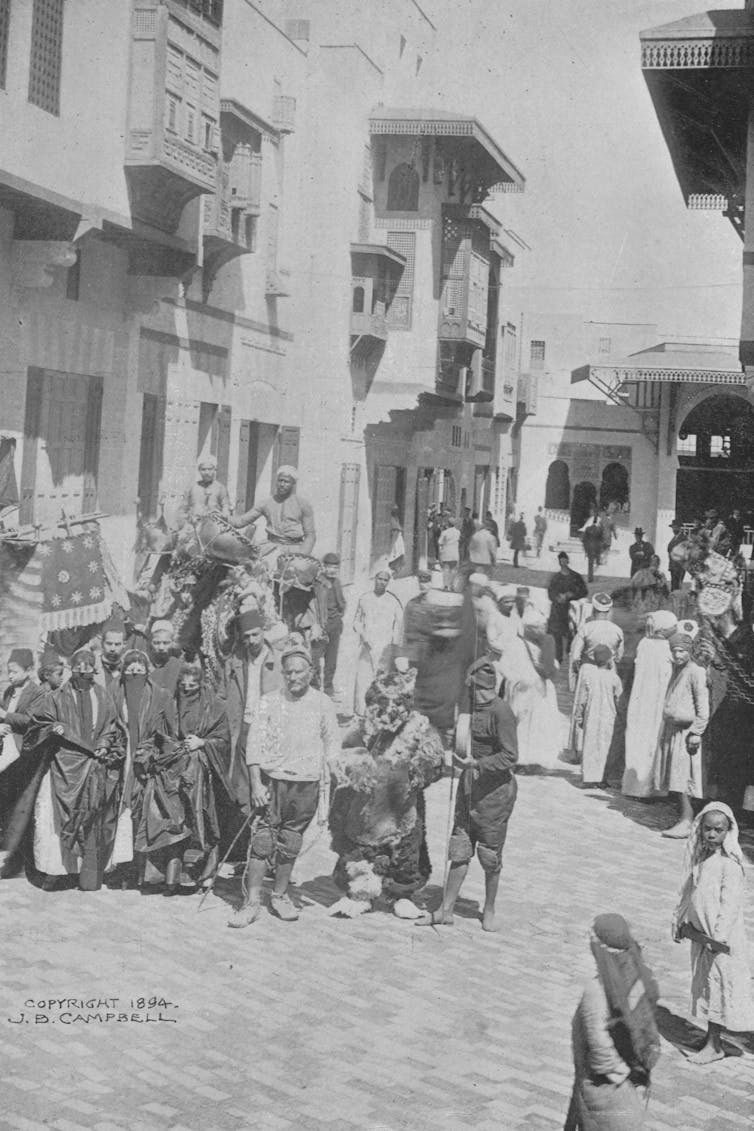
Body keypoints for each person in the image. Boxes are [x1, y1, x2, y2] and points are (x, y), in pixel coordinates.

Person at [230, 643, 339, 926]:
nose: (293, 677)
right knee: (263, 841)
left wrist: (331, 782)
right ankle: (251, 901)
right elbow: (253, 746)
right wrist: (256, 784)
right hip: (272, 782)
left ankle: (279, 896)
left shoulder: (323, 703)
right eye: (288, 672)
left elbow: (332, 746)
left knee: (290, 842)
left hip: (306, 784)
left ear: (311, 672)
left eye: (299, 671)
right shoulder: (269, 701)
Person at [329, 667, 445, 919]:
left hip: (402, 804)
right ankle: (359, 893)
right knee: (358, 845)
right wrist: (357, 764)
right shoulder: (365, 726)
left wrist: (423, 766)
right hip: (366, 804)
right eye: (383, 702)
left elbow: (434, 759)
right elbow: (347, 752)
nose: (390, 709)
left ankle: (400, 894)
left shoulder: (418, 726)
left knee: (405, 847)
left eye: (397, 702)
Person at [417, 656, 518, 932]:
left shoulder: (501, 713)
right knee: (460, 848)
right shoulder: (471, 711)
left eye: (474, 690)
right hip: (469, 788)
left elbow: (510, 756)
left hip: (495, 795)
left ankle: (489, 908)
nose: (471, 695)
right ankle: (445, 910)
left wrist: (479, 764)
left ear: (485, 688)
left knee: (489, 855)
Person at [29, 649, 125, 891]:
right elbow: (39, 723)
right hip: (65, 767)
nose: (83, 675)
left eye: (88, 671)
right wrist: (55, 727)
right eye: (78, 670)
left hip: (94, 766)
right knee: (59, 820)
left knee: (91, 818)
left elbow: (111, 726)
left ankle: (87, 875)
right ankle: (57, 873)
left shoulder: (102, 695)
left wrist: (104, 745)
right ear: (72, 670)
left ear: (93, 671)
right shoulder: (56, 697)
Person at [134, 660, 232, 894]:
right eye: (183, 685)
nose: (187, 690)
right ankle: (167, 880)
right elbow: (155, 735)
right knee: (168, 825)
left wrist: (203, 743)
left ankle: (198, 876)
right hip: (170, 774)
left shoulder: (215, 707)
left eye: (193, 686)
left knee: (198, 823)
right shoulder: (169, 704)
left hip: (199, 778)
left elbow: (224, 741)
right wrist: (150, 752)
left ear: (201, 685)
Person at [672, 802, 754, 1063]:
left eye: (717, 830)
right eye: (707, 829)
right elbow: (688, 891)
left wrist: (717, 938)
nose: (711, 835)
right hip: (701, 936)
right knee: (705, 986)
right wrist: (679, 921)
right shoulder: (700, 859)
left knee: (717, 988)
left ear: (727, 831)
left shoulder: (729, 865)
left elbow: (729, 906)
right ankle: (710, 1037)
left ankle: (715, 1045)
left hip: (720, 941)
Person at [565, 913, 659, 1131]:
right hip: (633, 1093)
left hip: (605, 1094)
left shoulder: (596, 992)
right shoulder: (636, 980)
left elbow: (599, 1051)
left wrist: (618, 1074)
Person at [110, 649, 176, 886]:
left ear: (148, 672)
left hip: (146, 765)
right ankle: (119, 868)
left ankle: (142, 872)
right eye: (130, 670)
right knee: (118, 813)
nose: (134, 673)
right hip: (120, 761)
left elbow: (171, 735)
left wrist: (153, 752)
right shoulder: (113, 692)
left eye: (140, 670)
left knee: (143, 813)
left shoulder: (162, 696)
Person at [653, 630, 709, 839]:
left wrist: (696, 732)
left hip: (686, 735)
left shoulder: (696, 672)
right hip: (672, 731)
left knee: (683, 778)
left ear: (690, 651)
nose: (678, 656)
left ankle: (687, 820)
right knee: (674, 778)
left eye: (682, 651)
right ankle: (683, 817)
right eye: (674, 651)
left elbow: (703, 708)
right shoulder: (678, 670)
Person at [622, 611, 677, 798]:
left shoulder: (644, 644)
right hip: (658, 700)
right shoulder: (667, 649)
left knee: (638, 739)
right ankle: (649, 788)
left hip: (640, 699)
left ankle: (633, 786)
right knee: (653, 741)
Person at [0, 649, 44, 872]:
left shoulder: (37, 693)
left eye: (15, 672)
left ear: (28, 671)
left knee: (19, 807)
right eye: (9, 671)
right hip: (5, 753)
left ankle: (16, 860)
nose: (10, 676)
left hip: (24, 756)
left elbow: (31, 720)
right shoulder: (9, 691)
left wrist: (4, 716)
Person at [229, 466, 316, 556]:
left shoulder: (303, 504)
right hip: (270, 547)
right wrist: (222, 516)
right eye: (280, 480)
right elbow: (240, 522)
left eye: (286, 482)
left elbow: (310, 535)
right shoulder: (266, 503)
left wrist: (302, 555)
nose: (282, 484)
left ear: (293, 483)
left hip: (295, 548)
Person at [352, 568, 403, 715]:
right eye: (379, 579)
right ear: (375, 579)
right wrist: (363, 636)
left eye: (385, 580)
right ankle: (362, 710)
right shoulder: (365, 598)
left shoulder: (393, 601)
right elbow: (357, 621)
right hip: (367, 645)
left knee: (382, 679)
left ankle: (380, 711)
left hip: (384, 646)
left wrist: (393, 645)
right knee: (364, 678)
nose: (382, 582)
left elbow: (399, 625)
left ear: (388, 582)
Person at [572, 645, 623, 787]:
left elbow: (582, 700)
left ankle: (589, 777)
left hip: (591, 717)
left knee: (590, 746)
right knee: (606, 747)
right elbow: (619, 699)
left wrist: (580, 718)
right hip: (609, 718)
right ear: (609, 660)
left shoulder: (589, 677)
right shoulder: (614, 678)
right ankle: (602, 778)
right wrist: (621, 716)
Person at [310, 552, 346, 698]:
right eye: (329, 567)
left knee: (332, 660)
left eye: (335, 567)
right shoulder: (318, 583)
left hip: (335, 624)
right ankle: (314, 687)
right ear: (323, 567)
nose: (332, 570)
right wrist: (317, 623)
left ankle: (328, 689)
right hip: (321, 624)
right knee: (316, 659)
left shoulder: (337, 582)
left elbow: (342, 603)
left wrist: (338, 617)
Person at [547, 552, 588, 664]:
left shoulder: (575, 577)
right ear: (559, 562)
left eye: (565, 559)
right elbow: (550, 593)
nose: (563, 562)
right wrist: (557, 597)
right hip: (557, 610)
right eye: (561, 560)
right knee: (557, 635)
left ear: (568, 561)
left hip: (571, 610)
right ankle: (558, 658)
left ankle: (571, 654)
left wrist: (570, 595)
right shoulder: (556, 577)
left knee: (572, 633)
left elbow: (584, 591)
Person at [178, 456, 231, 523]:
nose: (206, 472)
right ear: (199, 471)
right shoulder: (192, 488)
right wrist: (188, 518)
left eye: (210, 469)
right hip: (193, 525)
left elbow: (226, 507)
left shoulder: (220, 488)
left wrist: (224, 514)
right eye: (203, 469)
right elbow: (182, 510)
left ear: (214, 470)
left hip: (214, 526)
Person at [402, 569, 433, 669]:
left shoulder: (437, 603)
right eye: (421, 582)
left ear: (431, 583)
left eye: (426, 582)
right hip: (414, 649)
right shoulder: (412, 603)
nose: (423, 585)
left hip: (430, 649)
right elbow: (406, 627)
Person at [147, 620, 183, 696]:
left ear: (172, 642)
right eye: (156, 643)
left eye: (166, 643)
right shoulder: (143, 664)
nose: (161, 647)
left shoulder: (178, 666)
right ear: (150, 642)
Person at [96, 621, 126, 693]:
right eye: (109, 644)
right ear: (102, 643)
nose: (112, 649)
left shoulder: (128, 668)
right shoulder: (93, 667)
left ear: (124, 645)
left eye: (117, 644)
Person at [438, 518, 461, 591]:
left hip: (446, 553)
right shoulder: (458, 532)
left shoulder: (445, 532)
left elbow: (440, 542)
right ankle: (452, 585)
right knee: (453, 570)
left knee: (446, 569)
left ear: (448, 523)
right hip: (454, 553)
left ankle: (446, 586)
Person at [581, 512, 603, 583]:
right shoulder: (599, 530)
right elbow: (601, 540)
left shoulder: (588, 529)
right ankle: (594, 574)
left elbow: (584, 540)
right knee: (597, 563)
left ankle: (590, 578)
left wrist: (586, 548)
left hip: (590, 548)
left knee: (590, 564)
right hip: (596, 548)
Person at [667, 519, 687, 592]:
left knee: (677, 587)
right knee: (673, 586)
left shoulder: (683, 538)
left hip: (679, 566)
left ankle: (677, 602)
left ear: (680, 528)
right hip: (673, 566)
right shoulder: (674, 538)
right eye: (673, 527)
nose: (674, 529)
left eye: (676, 527)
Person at [388, 506, 405, 574]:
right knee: (394, 550)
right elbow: (394, 526)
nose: (396, 512)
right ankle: (392, 566)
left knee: (400, 550)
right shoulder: (391, 518)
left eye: (397, 510)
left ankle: (396, 567)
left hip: (398, 535)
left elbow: (399, 527)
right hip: (394, 534)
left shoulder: (396, 518)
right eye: (395, 510)